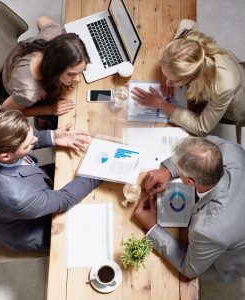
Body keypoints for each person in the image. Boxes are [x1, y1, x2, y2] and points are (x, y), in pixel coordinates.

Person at [134, 135, 245, 282]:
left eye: (178, 169)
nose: (176, 169)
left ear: (189, 181)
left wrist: (152, 227)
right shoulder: (231, 150)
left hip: (231, 259)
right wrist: (168, 171)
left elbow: (189, 269)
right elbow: (206, 143)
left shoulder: (207, 231)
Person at [0, 109, 99, 251]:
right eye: (28, 145)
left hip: (30, 184)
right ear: (5, 157)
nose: (35, 139)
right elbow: (65, 199)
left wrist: (53, 136)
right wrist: (97, 169)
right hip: (31, 228)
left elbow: (20, 139)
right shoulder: (19, 198)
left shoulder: (1, 144)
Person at [131, 19, 245, 136]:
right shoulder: (188, 45)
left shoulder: (223, 87)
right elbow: (187, 22)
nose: (168, 84)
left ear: (192, 76)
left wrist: (162, 104)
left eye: (174, 81)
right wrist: (168, 70)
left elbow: (201, 128)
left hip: (238, 102)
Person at [1, 16, 90, 129]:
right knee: (61, 117)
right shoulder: (28, 93)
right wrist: (50, 109)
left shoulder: (54, 35)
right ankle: (43, 121)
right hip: (12, 82)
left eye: (80, 71)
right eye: (71, 74)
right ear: (55, 69)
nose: (78, 79)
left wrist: (69, 77)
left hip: (18, 56)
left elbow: (41, 19)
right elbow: (6, 111)